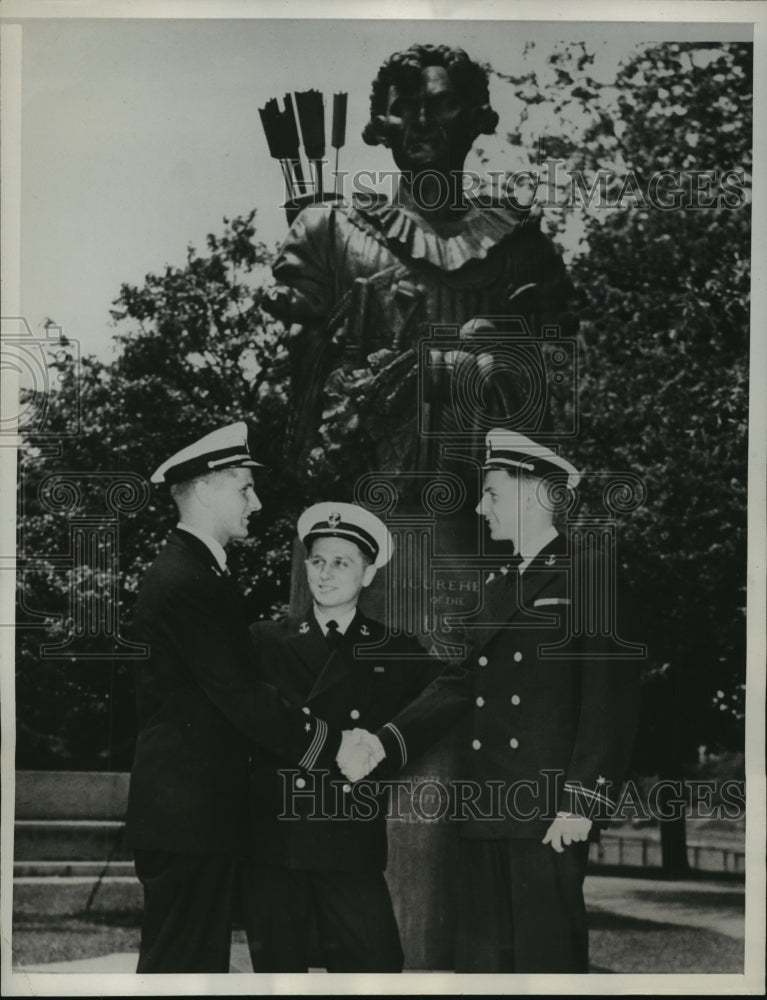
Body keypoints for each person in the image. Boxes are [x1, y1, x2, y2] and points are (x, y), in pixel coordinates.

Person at [341, 429, 641, 973]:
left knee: (544, 962)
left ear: (533, 494)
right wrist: (384, 744)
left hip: (548, 814)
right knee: (483, 968)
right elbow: (458, 684)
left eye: (493, 493)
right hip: (485, 809)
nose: (481, 508)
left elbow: (608, 700)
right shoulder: (499, 586)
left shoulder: (589, 573)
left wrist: (581, 800)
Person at [263, 43, 575, 475]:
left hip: (486, 507)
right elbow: (292, 403)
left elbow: (558, 394)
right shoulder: (330, 231)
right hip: (359, 507)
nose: (423, 123)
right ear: (382, 126)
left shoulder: (521, 247)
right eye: (406, 108)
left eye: (442, 105)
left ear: (474, 117)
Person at [124, 423, 360, 973]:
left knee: (189, 966)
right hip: (188, 814)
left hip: (192, 811)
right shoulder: (187, 579)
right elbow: (241, 694)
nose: (255, 501)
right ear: (205, 488)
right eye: (243, 488)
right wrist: (332, 745)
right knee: (179, 968)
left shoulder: (196, 570)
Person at [239, 502, 440, 972]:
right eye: (317, 561)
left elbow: (449, 693)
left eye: (342, 562)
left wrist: (386, 742)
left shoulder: (395, 648)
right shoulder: (262, 641)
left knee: (377, 971)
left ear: (367, 574)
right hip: (275, 847)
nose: (325, 574)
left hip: (350, 846)